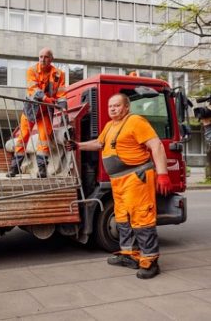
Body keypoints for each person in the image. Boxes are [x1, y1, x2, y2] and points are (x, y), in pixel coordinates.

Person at [67, 94, 171, 279]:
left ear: (126, 108)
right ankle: (129, 256)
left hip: (136, 177)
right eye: (110, 106)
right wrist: (77, 145)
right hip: (119, 180)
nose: (112, 109)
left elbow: (156, 146)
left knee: (142, 218)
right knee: (122, 218)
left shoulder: (136, 121)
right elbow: (99, 144)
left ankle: (150, 261)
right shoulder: (109, 126)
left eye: (116, 106)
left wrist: (162, 174)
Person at [9, 48, 66, 178]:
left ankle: (41, 170)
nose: (42, 59)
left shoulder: (59, 74)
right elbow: (33, 89)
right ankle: (14, 168)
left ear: (51, 59)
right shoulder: (32, 70)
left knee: (44, 139)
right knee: (22, 138)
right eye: (40, 56)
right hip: (31, 109)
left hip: (46, 111)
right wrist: (47, 99)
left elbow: (61, 92)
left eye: (46, 57)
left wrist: (63, 106)